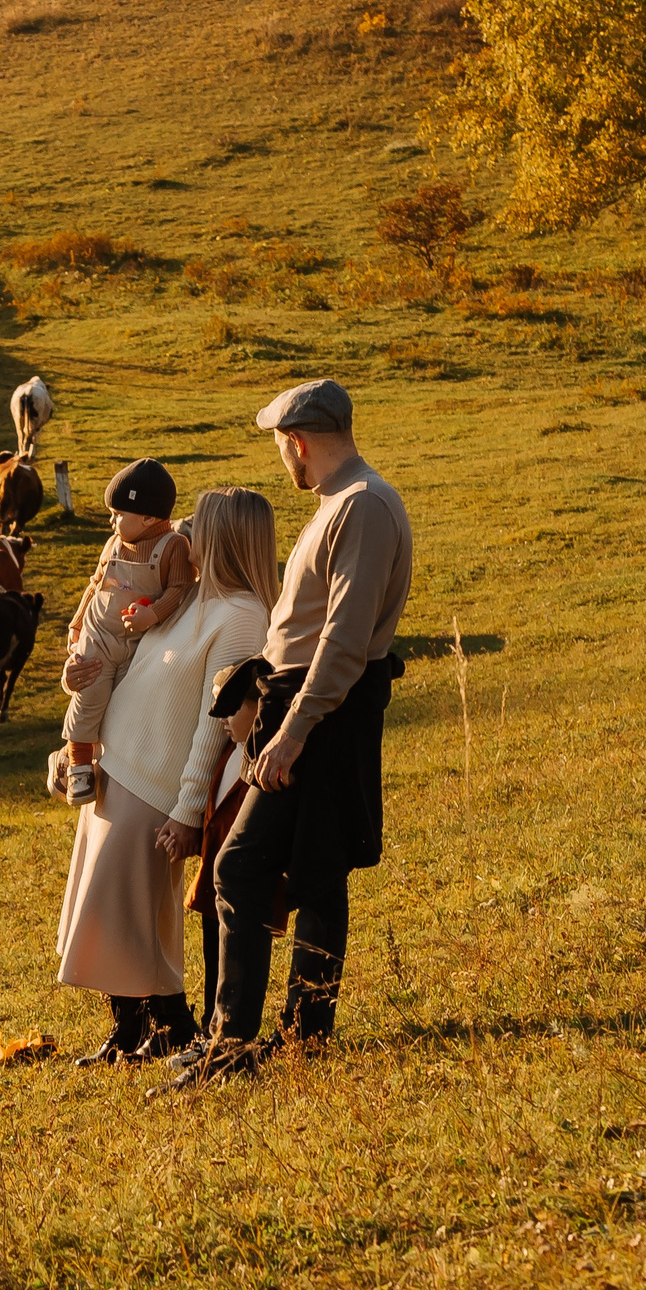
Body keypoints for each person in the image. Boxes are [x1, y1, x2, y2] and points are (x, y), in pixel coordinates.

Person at [198, 379, 413, 1077]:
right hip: (308, 706)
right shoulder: (341, 502)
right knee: (314, 873)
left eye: (279, 447)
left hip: (321, 713)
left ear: (296, 442)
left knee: (245, 865)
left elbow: (345, 640)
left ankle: (236, 1042)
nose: (281, 460)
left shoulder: (363, 507)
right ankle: (300, 1037)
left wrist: (293, 729)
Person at [56, 485, 277, 1063]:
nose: (182, 531)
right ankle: (140, 1030)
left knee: (124, 914)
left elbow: (214, 722)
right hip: (118, 764)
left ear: (223, 537)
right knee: (120, 911)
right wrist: (78, 688)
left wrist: (186, 809)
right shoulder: (192, 596)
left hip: (154, 781)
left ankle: (164, 1026)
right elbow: (129, 661)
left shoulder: (242, 617)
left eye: (197, 523)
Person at [51, 459, 194, 807]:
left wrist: (152, 614)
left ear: (147, 517)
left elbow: (179, 589)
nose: (111, 522)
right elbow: (96, 585)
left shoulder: (174, 546)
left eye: (117, 514)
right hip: (100, 634)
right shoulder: (114, 544)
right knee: (89, 689)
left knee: (125, 703)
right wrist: (77, 624)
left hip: (138, 640)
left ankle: (110, 763)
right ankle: (78, 765)